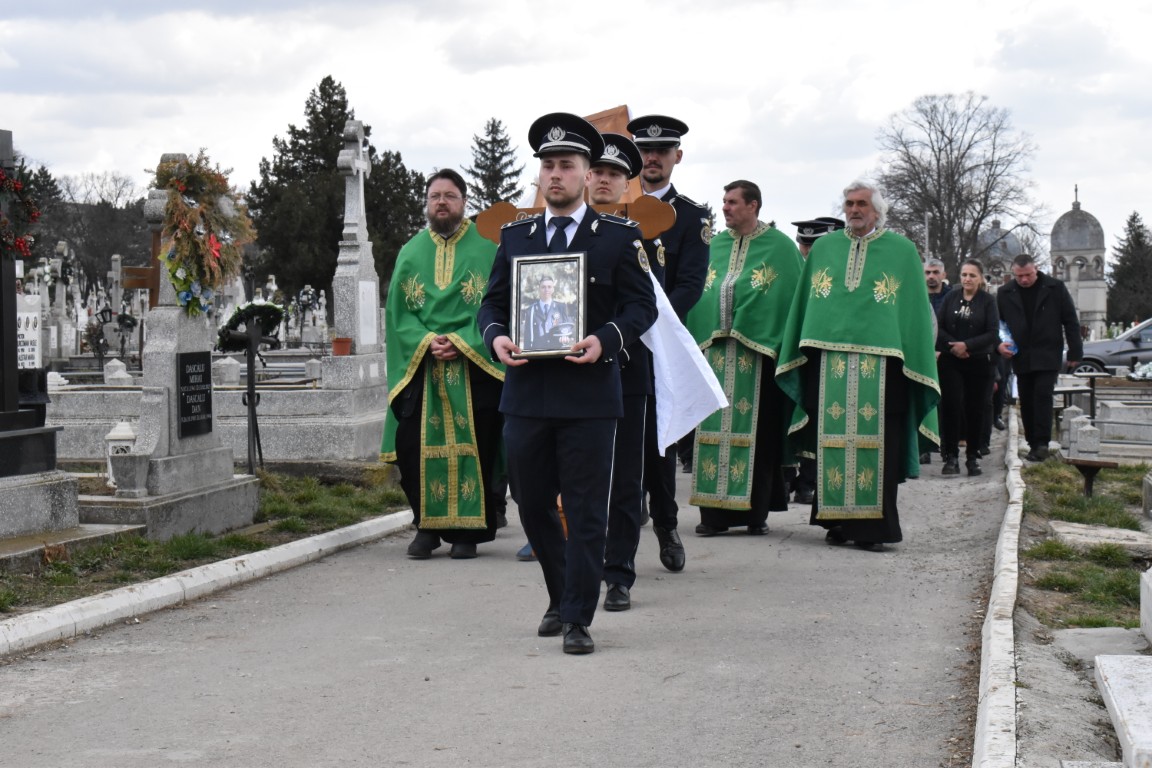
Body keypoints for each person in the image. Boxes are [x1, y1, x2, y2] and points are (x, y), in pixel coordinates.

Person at [477, 113, 657, 654]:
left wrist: (607, 337)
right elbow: (491, 303)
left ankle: (578, 616)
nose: (556, 174)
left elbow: (641, 306)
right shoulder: (516, 237)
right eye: (548, 165)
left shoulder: (618, 238)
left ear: (585, 174)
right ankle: (561, 594)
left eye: (567, 165)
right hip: (527, 393)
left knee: (583, 509)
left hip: (589, 395)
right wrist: (496, 338)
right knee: (532, 505)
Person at [776, 180, 940, 551]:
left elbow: (911, 316)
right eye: (849, 203)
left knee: (878, 446)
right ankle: (837, 521)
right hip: (830, 363)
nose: (854, 210)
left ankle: (873, 529)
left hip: (884, 370)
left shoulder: (901, 251)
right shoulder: (826, 248)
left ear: (877, 209)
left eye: (862, 204)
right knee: (830, 442)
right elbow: (809, 305)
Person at [381, 169, 504, 560]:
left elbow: (496, 304)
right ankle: (427, 527)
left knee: (481, 443)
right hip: (425, 366)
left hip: (475, 366)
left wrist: (464, 340)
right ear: (427, 202)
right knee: (410, 445)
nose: (442, 203)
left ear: (464, 201)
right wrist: (425, 340)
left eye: (450, 195)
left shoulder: (487, 246)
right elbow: (398, 311)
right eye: (435, 196)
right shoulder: (411, 250)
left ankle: (466, 534)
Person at [684, 180, 802, 536]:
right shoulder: (714, 245)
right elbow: (700, 290)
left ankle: (754, 514)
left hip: (759, 354)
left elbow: (789, 300)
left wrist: (752, 323)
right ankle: (713, 516)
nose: (725, 208)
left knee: (760, 435)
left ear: (753, 205)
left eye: (732, 202)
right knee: (710, 431)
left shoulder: (780, 247)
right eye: (724, 201)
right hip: (714, 353)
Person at [627, 114, 710, 573]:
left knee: (659, 443)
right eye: (644, 151)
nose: (652, 158)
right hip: (614, 343)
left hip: (659, 345)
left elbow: (691, 285)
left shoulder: (692, 217)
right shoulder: (614, 210)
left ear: (676, 157)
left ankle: (666, 525)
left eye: (661, 151)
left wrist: (648, 322)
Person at [583, 132, 648, 611]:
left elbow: (645, 305)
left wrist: (608, 339)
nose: (605, 180)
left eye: (615, 175)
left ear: (626, 185)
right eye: (598, 171)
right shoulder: (555, 231)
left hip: (625, 369)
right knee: (572, 479)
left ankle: (619, 573)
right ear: (586, 175)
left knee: (625, 478)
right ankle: (575, 567)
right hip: (565, 373)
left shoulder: (633, 238)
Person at [996, 253, 1082, 462]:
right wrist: (999, 346)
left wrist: (1075, 352)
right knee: (1026, 399)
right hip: (1021, 353)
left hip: (1047, 352)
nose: (1024, 280)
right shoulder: (1005, 293)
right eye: (1019, 276)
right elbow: (998, 324)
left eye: (1028, 275)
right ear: (1013, 274)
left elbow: (1070, 320)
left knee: (1043, 396)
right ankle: (1033, 443)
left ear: (1036, 269)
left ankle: (1042, 443)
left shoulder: (1055, 288)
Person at [787, 216, 845, 504]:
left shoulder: (832, 271)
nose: (807, 251)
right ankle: (787, 477)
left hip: (821, 357)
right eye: (804, 244)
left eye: (814, 245)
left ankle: (808, 481)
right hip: (791, 354)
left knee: (815, 417)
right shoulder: (792, 269)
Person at [936, 259, 999, 476]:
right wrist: (954, 347)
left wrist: (968, 346)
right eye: (964, 275)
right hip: (951, 359)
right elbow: (939, 326)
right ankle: (950, 456)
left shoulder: (988, 301)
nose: (967, 279)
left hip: (978, 360)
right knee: (951, 405)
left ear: (980, 278)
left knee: (975, 408)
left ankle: (972, 456)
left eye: (972, 275)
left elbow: (992, 332)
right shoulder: (951, 297)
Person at [519, 275, 575, 351]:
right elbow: (527, 338)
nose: (546, 289)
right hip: (537, 353)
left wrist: (566, 337)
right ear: (539, 289)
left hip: (557, 352)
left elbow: (567, 330)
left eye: (549, 287)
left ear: (553, 289)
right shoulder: (531, 310)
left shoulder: (561, 307)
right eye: (543, 287)